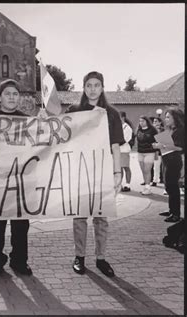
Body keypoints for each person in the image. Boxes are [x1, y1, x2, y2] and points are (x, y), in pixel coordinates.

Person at [65, 71, 124, 277]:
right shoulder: (74, 110)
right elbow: (61, 137)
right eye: (88, 85)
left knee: (101, 217)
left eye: (96, 85)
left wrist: (117, 172)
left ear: (102, 87)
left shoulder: (111, 113)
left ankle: (101, 258)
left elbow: (115, 146)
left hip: (103, 169)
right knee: (79, 216)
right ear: (83, 88)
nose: (92, 89)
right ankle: (79, 257)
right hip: (80, 170)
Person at [0, 79, 32, 278]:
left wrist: (46, 123)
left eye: (15, 94)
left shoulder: (28, 120)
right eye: (7, 93)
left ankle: (19, 261)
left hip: (21, 180)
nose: (12, 97)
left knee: (21, 225)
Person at [153, 107, 184, 222]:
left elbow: (180, 147)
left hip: (174, 161)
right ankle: (171, 210)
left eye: (168, 117)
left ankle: (176, 214)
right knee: (168, 186)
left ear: (175, 118)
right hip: (166, 159)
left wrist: (163, 146)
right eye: (165, 117)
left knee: (173, 187)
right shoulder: (170, 129)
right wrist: (159, 144)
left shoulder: (180, 130)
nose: (165, 119)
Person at [136, 115, 158, 195]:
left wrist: (156, 152)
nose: (141, 123)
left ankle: (148, 188)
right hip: (140, 152)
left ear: (147, 121)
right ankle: (146, 186)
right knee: (143, 170)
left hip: (149, 152)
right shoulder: (139, 129)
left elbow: (157, 141)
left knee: (147, 170)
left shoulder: (152, 130)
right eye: (140, 121)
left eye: (143, 121)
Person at [119, 111, 133, 192]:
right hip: (117, 151)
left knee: (126, 167)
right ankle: (119, 184)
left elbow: (124, 140)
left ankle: (127, 185)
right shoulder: (118, 127)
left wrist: (114, 144)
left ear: (123, 117)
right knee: (119, 168)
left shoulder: (127, 128)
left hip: (124, 150)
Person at [151, 117, 164, 186]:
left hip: (163, 151)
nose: (154, 123)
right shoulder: (152, 130)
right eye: (153, 122)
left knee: (164, 167)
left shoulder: (163, 130)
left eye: (156, 121)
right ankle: (155, 180)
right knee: (156, 166)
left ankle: (164, 180)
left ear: (160, 122)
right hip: (155, 151)